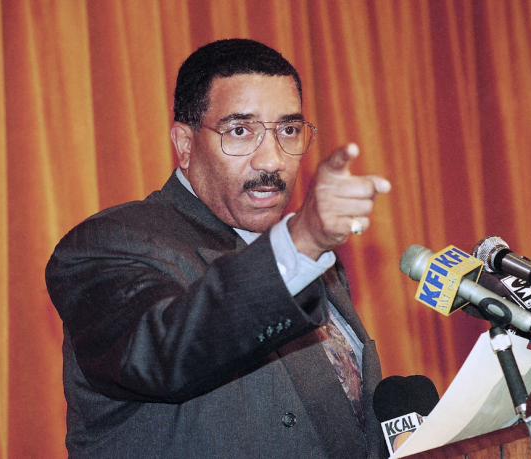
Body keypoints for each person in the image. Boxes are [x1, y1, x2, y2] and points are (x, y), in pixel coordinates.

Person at [46, 38, 391, 458]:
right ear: (185, 144)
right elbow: (161, 353)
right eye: (240, 131)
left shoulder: (313, 258)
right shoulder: (108, 243)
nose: (271, 161)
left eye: (288, 130)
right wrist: (301, 242)